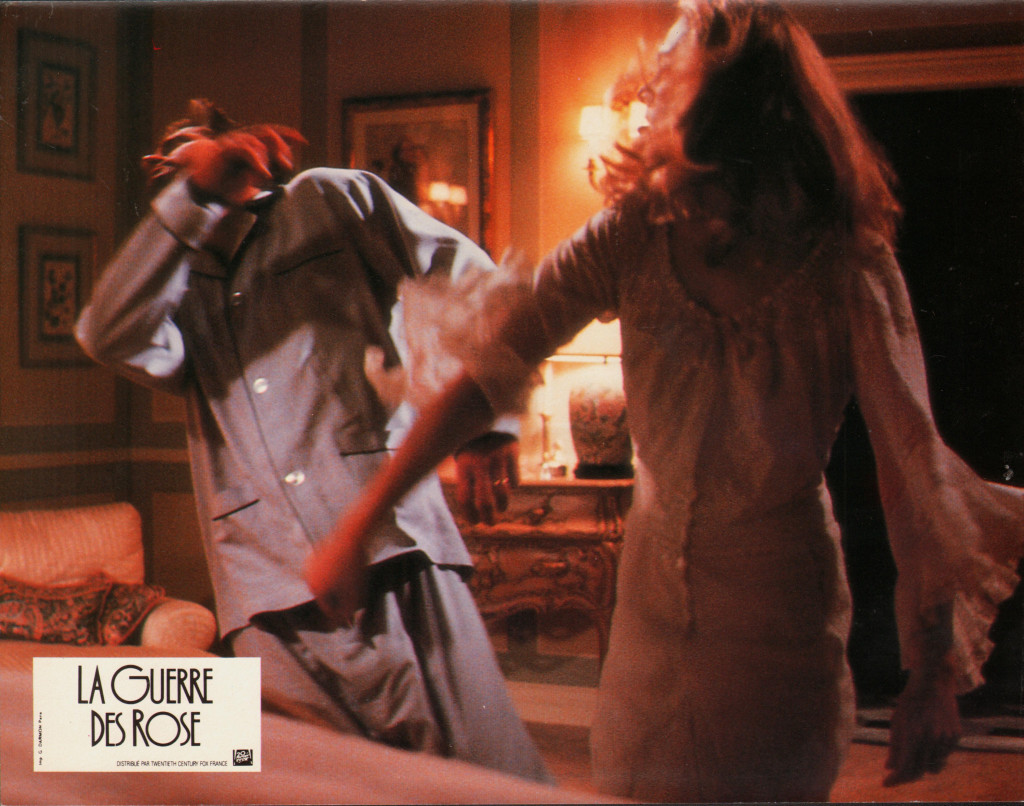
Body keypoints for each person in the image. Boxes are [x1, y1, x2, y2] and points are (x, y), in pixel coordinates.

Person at [305, 2, 1024, 802]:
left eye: (670, 74)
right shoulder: (634, 231)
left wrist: (932, 672)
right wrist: (361, 521)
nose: (649, 92)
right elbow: (490, 367)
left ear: (733, 101)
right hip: (649, 615)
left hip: (780, 621)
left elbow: (911, 465)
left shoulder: (843, 259)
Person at [75, 99, 550, 784]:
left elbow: (473, 277)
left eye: (191, 148)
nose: (171, 164)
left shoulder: (330, 198)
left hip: (392, 551)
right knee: (321, 785)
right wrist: (191, 200)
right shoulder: (170, 286)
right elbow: (105, 334)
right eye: (165, 166)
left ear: (236, 149)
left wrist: (488, 420)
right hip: (262, 588)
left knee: (483, 775)